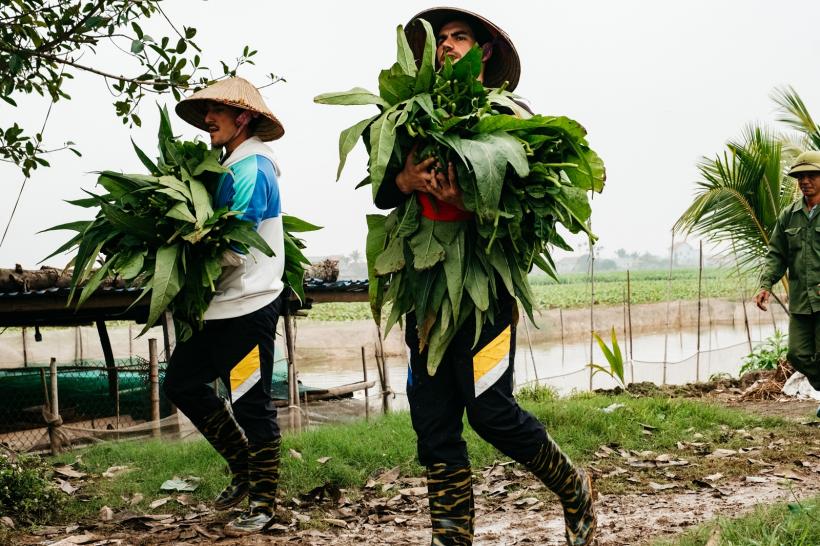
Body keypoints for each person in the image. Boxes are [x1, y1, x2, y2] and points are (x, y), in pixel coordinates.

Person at [375, 8, 597, 546]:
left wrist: (472, 202)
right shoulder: (409, 115)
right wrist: (404, 177)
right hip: (425, 292)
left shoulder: (512, 116)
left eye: (460, 37)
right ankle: (451, 538)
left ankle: (576, 491)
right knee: (433, 420)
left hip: (484, 292)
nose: (448, 46)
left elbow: (531, 212)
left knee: (492, 412)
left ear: (484, 51)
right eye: (440, 40)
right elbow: (383, 190)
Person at [162, 77, 287, 535]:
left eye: (217, 111)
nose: (208, 119)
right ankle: (243, 467)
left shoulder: (253, 167)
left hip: (248, 305)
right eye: (206, 111)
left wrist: (184, 267)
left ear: (244, 117)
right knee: (181, 381)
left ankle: (265, 502)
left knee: (252, 404)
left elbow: (235, 245)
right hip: (218, 306)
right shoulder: (229, 163)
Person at [755, 150, 820, 418]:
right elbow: (776, 253)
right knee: (797, 354)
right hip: (802, 301)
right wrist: (765, 284)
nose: (805, 181)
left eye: (811, 175)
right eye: (800, 176)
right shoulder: (789, 216)